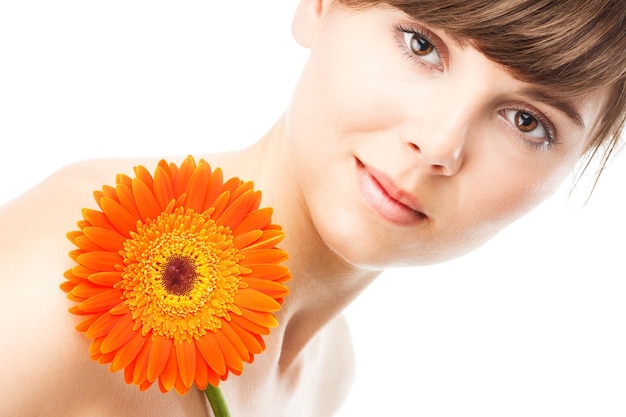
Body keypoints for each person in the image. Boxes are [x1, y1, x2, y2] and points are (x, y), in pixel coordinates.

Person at [0, 0, 624, 416]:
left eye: (526, 120)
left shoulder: (328, 368)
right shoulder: (70, 283)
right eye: (420, 44)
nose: (438, 144)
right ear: (319, 4)